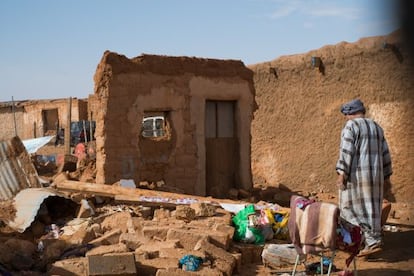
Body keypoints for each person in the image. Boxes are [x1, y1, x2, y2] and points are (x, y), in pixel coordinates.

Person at [335, 99, 393, 257]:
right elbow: (385, 154)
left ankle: (359, 242)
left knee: (349, 208)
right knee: (372, 209)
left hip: (357, 178)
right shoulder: (376, 127)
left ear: (349, 113)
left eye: (346, 115)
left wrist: (342, 173)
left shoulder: (351, 126)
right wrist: (386, 176)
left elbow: (346, 151)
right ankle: (373, 241)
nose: (346, 119)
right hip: (375, 178)